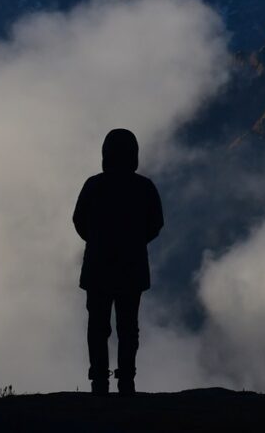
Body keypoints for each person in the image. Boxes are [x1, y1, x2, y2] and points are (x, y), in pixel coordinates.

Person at [73, 128, 164, 396]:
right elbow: (156, 223)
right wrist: (135, 242)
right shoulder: (144, 187)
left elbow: (79, 220)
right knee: (128, 326)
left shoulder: (94, 185)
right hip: (131, 267)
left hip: (98, 266)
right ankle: (127, 379)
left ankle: (99, 379)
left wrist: (96, 240)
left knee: (98, 325)